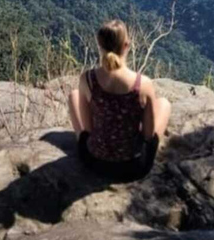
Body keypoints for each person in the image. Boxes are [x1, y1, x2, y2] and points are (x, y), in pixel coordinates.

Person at [67, 19, 171, 181]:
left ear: (99, 45)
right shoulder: (143, 84)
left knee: (74, 95)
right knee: (164, 103)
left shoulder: (87, 79)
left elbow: (88, 129)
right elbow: (148, 136)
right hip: (134, 167)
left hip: (94, 163)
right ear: (126, 45)